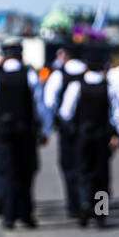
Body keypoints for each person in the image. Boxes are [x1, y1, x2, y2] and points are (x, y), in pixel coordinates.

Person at [0, 38, 50, 229]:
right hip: (25, 131)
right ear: (20, 54)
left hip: (3, 132)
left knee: (7, 172)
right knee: (26, 172)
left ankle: (9, 216)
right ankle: (25, 214)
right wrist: (44, 130)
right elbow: (40, 106)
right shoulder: (30, 75)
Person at [59, 45, 119, 228]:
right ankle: (101, 214)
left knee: (82, 172)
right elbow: (118, 115)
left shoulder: (76, 86)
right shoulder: (108, 88)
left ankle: (84, 203)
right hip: (102, 137)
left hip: (82, 136)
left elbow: (65, 113)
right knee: (102, 176)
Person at [43, 43, 87, 219]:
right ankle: (99, 210)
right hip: (96, 130)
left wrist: (46, 128)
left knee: (69, 167)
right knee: (95, 170)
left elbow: (48, 102)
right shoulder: (92, 74)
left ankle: (74, 205)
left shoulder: (58, 75)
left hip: (68, 129)